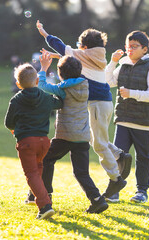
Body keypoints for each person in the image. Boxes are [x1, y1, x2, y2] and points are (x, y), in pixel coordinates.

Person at [35, 20, 132, 202]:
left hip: (96, 104)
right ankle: (119, 155)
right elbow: (72, 58)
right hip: (104, 103)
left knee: (99, 144)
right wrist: (57, 57)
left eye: (79, 46)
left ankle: (116, 179)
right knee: (98, 139)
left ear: (85, 46)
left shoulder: (83, 55)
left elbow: (61, 46)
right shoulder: (97, 56)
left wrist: (44, 34)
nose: (77, 48)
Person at [31, 51, 109, 214]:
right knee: (81, 172)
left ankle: (46, 196)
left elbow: (43, 86)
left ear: (61, 74)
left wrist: (43, 68)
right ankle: (97, 199)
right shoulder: (85, 85)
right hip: (82, 136)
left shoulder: (62, 89)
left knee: (46, 160)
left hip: (65, 135)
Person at [105, 30, 149, 203]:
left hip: (143, 122)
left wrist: (131, 93)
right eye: (128, 46)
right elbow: (107, 82)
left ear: (144, 49)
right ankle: (114, 190)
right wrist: (113, 62)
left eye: (134, 46)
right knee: (117, 156)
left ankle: (141, 191)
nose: (130, 49)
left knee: (143, 157)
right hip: (123, 119)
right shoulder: (123, 65)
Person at [4, 63, 63, 219]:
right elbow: (59, 103)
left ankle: (45, 205)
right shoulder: (45, 97)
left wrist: (14, 129)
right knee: (38, 168)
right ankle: (33, 196)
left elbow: (8, 123)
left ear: (18, 84)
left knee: (31, 174)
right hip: (44, 141)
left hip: (27, 142)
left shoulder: (16, 99)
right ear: (37, 81)